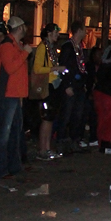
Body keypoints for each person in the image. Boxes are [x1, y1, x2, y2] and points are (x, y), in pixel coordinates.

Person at [0, 15, 33, 178]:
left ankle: (12, 166)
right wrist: (25, 54)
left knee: (13, 132)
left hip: (13, 95)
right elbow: (11, 68)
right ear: (20, 28)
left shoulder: (13, 45)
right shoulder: (8, 46)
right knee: (4, 133)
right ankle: (1, 169)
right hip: (8, 95)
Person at [33, 23, 65, 160]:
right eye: (56, 32)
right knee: (46, 118)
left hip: (53, 85)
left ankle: (47, 148)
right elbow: (37, 69)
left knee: (50, 118)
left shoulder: (51, 48)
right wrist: (54, 69)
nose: (58, 34)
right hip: (47, 86)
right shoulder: (42, 48)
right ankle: (43, 149)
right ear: (49, 33)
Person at [57, 21, 88, 152]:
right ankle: (60, 141)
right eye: (84, 29)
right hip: (70, 85)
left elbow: (81, 67)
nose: (86, 32)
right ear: (79, 30)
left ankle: (74, 140)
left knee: (78, 114)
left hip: (79, 86)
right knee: (66, 114)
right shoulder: (68, 47)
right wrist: (66, 85)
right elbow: (63, 67)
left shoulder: (80, 47)